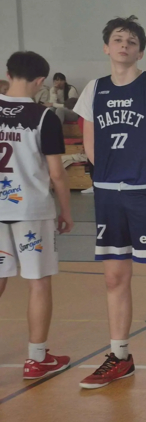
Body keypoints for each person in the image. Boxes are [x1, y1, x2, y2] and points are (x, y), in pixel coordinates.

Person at [76, 16, 146, 390]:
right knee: (114, 277)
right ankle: (120, 355)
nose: (124, 45)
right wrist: (106, 173)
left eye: (132, 41)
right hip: (109, 193)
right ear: (107, 47)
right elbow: (90, 138)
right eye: (118, 39)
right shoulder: (95, 88)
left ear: (140, 51)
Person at [1, 51, 73, 380]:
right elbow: (57, 173)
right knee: (39, 282)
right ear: (41, 81)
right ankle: (36, 359)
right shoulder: (44, 117)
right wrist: (65, 210)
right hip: (30, 209)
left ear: (8, 73)